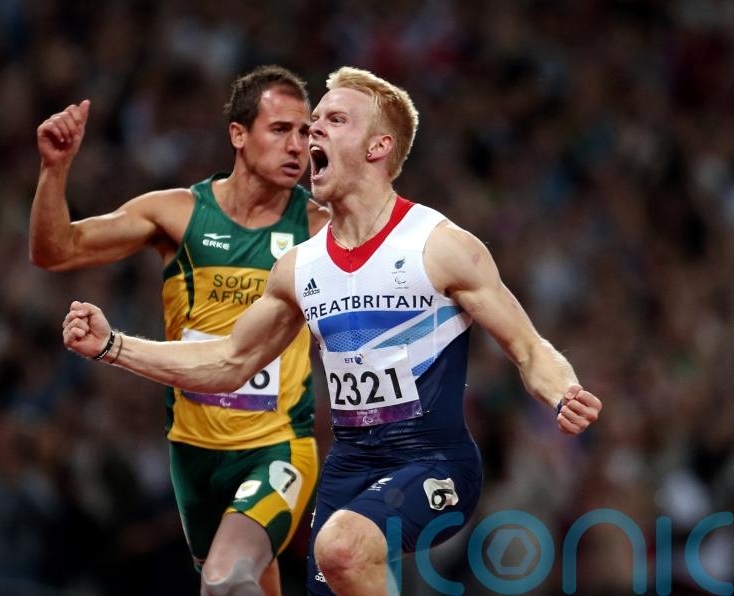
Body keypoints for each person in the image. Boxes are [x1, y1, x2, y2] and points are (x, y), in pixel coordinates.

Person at [61, 66, 603, 596]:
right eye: (312, 119)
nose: (311, 129)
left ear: (378, 148)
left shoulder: (438, 246)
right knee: (336, 555)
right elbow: (227, 363)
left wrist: (563, 392)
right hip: (348, 473)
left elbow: (530, 349)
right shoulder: (300, 268)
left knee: (340, 547)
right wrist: (114, 346)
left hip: (433, 462)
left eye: (334, 120)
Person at [31, 65, 329, 596]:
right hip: (192, 453)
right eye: (280, 129)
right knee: (250, 585)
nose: (297, 146)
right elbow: (55, 251)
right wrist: (55, 170)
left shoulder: (317, 229)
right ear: (238, 134)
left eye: (305, 132)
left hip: (279, 446)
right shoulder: (178, 215)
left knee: (222, 581)